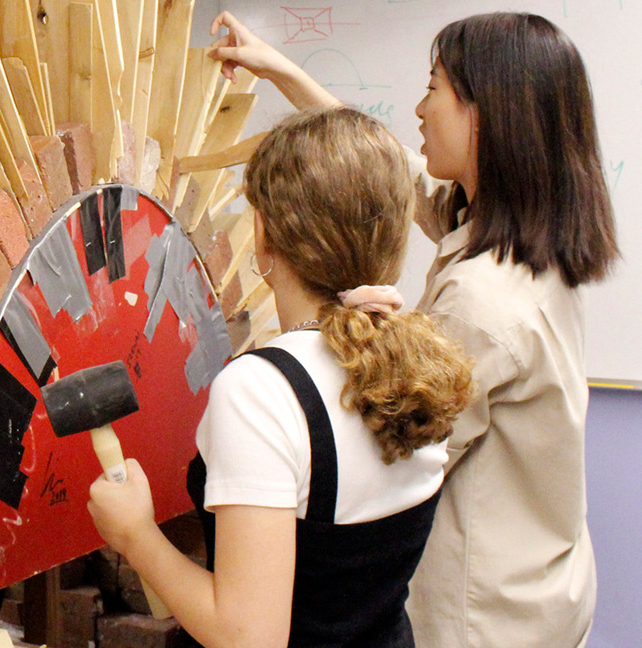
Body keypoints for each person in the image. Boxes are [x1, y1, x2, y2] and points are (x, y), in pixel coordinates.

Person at [208, 12, 618, 646]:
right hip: (551, 580)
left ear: (487, 113)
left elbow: (394, 441)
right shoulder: (523, 233)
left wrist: (343, 343)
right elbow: (383, 170)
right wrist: (284, 71)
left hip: (483, 614)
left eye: (434, 88)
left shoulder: (481, 302)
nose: (419, 109)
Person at [88, 107, 474, 646]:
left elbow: (249, 636)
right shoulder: (416, 363)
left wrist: (136, 535)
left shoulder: (262, 391)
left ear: (263, 233)